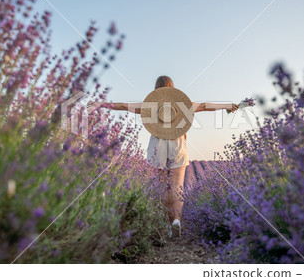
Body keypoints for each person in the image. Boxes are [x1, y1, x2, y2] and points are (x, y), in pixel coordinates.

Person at [102, 76, 238, 238]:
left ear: (156, 88)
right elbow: (205, 105)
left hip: (157, 147)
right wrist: (227, 105)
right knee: (177, 186)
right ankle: (177, 222)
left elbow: (123, 106)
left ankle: (169, 222)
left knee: (163, 187)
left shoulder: (150, 105)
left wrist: (102, 104)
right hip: (177, 146)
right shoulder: (182, 104)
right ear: (172, 88)